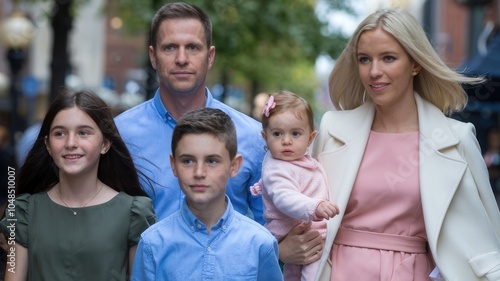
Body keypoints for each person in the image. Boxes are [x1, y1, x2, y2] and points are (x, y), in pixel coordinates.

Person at [309, 7, 500, 281]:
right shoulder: (332, 128)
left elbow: (487, 232)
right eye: (365, 59)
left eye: (388, 58)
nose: (374, 71)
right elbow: (306, 208)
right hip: (337, 271)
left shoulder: (456, 137)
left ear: (415, 64)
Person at [114, 2, 265, 223]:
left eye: (193, 47)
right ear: (153, 57)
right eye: (170, 47)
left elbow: (269, 227)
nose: (182, 59)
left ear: (210, 56)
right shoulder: (120, 135)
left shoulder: (252, 137)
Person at [0, 89, 156, 281]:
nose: (71, 143)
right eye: (60, 133)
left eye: (83, 132)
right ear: (48, 145)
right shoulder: (23, 212)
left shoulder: (134, 213)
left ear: (105, 143)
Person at [131, 108, 283, 281]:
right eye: (187, 161)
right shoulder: (153, 243)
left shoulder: (260, 243)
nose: (199, 172)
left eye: (212, 161)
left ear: (234, 166)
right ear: (173, 165)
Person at [250, 91, 339, 281]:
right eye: (277, 133)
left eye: (295, 133)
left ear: (310, 138)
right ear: (265, 137)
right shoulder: (276, 168)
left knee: (294, 274)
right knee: (313, 274)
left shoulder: (300, 160)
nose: (287, 140)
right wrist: (315, 207)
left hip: (305, 232)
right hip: (293, 233)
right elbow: (284, 198)